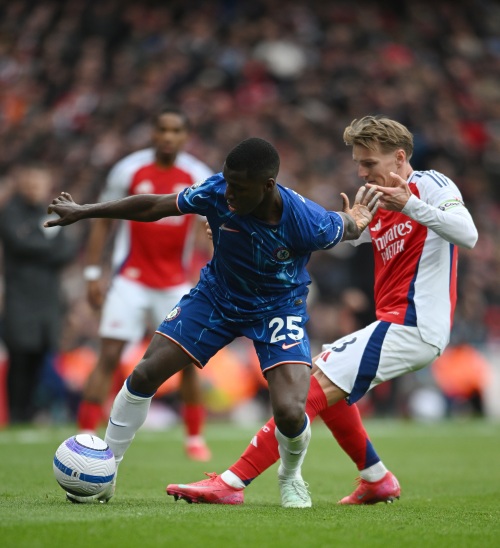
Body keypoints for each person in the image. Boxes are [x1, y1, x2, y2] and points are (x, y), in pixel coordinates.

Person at [45, 136, 381, 507]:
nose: (229, 193)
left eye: (239, 187)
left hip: (278, 309)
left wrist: (357, 219)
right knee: (144, 374)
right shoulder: (217, 190)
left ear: (268, 185)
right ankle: (107, 472)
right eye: (228, 182)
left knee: (289, 411)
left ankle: (290, 476)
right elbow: (155, 205)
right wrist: (85, 210)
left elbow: (347, 227)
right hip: (216, 298)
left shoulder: (308, 221)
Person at [165, 115, 479, 506]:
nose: (361, 172)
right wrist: (242, 236)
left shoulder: (430, 184)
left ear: (400, 157)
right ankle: (376, 478)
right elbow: (332, 239)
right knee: (324, 379)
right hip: (395, 321)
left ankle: (233, 482)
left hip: (416, 323)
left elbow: (468, 234)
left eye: (369, 163)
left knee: (308, 391)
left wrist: (411, 205)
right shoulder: (377, 199)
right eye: (358, 163)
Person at [77, 105, 214, 461]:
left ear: (185, 136)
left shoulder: (198, 174)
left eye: (176, 131)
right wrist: (93, 273)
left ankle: (194, 437)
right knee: (109, 354)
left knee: (187, 361)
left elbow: (211, 226)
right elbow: (104, 219)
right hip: (130, 280)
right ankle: (85, 434)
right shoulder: (128, 169)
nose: (168, 137)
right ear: (152, 132)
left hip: (175, 284)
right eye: (162, 129)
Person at [0, 165, 78, 423]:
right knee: (20, 354)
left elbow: (67, 250)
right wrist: (48, 247)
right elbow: (19, 243)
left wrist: (38, 246)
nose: (35, 190)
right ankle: (16, 412)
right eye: (30, 184)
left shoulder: (53, 212)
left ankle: (31, 411)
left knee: (42, 353)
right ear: (22, 185)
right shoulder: (10, 213)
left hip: (49, 298)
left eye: (39, 185)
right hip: (20, 297)